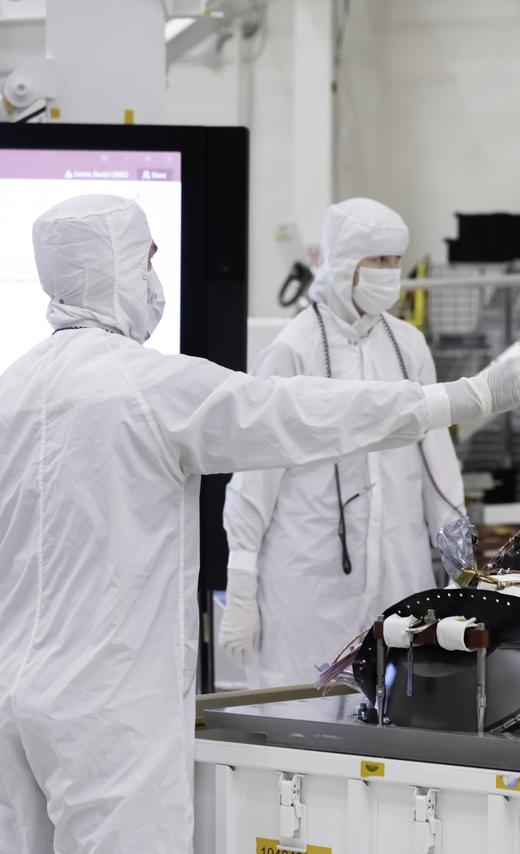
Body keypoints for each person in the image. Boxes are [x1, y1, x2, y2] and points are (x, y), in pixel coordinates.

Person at [0, 194, 520, 852]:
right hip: (110, 703)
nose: (156, 279)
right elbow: (294, 415)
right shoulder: (146, 387)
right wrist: (472, 395)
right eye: (148, 260)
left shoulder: (15, 387)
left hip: (18, 693)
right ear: (116, 270)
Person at [219, 198, 467, 695]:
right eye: (377, 261)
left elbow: (438, 466)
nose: (390, 274)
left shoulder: (407, 345)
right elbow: (255, 471)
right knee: (305, 719)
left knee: (397, 724)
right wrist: (241, 580)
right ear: (345, 264)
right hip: (310, 580)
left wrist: (461, 563)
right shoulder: (295, 347)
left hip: (399, 577)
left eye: (396, 261)